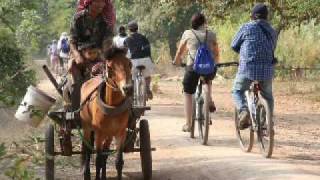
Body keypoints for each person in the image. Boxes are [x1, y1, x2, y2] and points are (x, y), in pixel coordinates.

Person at [231, 3, 277, 129]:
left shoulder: (246, 27)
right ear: (266, 17)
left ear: (253, 16)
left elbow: (234, 45)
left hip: (248, 69)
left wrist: (244, 51)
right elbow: (272, 48)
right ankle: (267, 121)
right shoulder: (272, 31)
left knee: (237, 91)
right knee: (268, 96)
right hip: (267, 70)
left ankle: (244, 110)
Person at [174, 13, 220, 132]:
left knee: (188, 93)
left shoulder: (188, 33)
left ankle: (189, 124)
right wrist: (215, 63)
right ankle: (209, 99)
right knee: (208, 79)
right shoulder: (211, 34)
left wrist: (176, 61)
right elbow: (216, 52)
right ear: (204, 22)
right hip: (209, 68)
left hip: (193, 68)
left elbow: (180, 51)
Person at [68, 0, 114, 111]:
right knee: (76, 80)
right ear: (89, 2)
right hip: (80, 56)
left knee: (115, 78)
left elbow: (107, 43)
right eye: (97, 1)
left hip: (99, 57)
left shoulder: (105, 22)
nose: (100, 4)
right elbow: (72, 41)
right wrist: (77, 56)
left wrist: (102, 59)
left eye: (103, 2)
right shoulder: (78, 18)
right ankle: (76, 111)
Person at [124, 21, 154, 99]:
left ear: (129, 30)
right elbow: (148, 50)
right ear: (137, 28)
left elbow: (125, 53)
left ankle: (132, 91)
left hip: (134, 62)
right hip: (145, 60)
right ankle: (147, 88)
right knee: (147, 76)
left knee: (132, 77)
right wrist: (150, 60)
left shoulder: (127, 40)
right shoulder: (143, 37)